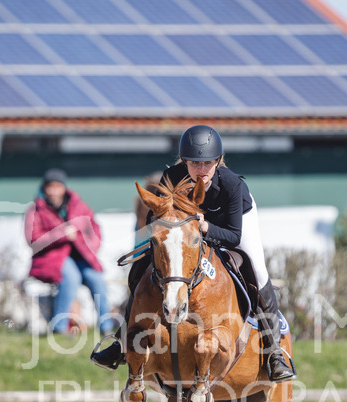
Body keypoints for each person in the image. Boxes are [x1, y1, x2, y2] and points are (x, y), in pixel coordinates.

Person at [91, 125, 296, 382]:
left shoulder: (232, 186)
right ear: (185, 162)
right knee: (143, 265)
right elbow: (158, 217)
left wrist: (206, 227)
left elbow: (233, 236)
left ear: (218, 162)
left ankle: (275, 352)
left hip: (231, 224)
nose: (201, 170)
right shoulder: (171, 177)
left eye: (208, 163)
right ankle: (122, 341)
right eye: (195, 163)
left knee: (257, 268)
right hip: (187, 232)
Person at [25, 168, 115, 335]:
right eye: (50, 187)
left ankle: (107, 327)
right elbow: (33, 240)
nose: (53, 191)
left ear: (64, 188)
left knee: (97, 279)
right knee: (71, 277)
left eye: (57, 187)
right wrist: (62, 233)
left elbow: (94, 228)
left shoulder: (77, 205)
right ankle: (59, 327)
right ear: (44, 188)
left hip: (81, 256)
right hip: (52, 257)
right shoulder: (35, 210)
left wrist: (92, 245)